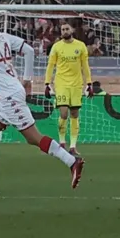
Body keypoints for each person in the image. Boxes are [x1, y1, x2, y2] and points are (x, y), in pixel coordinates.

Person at [0, 4, 83, 199]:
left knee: (34, 138)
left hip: (9, 96)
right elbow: (29, 50)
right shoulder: (2, 36)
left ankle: (71, 161)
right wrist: (27, 80)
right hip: (8, 94)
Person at [46, 19, 92, 149]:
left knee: (74, 114)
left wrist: (89, 83)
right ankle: (61, 142)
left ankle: (73, 146)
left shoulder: (80, 46)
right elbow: (50, 66)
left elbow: (85, 66)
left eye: (67, 29)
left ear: (72, 30)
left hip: (76, 84)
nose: (65, 31)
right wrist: (47, 83)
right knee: (64, 113)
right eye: (63, 30)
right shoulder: (57, 46)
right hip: (61, 83)